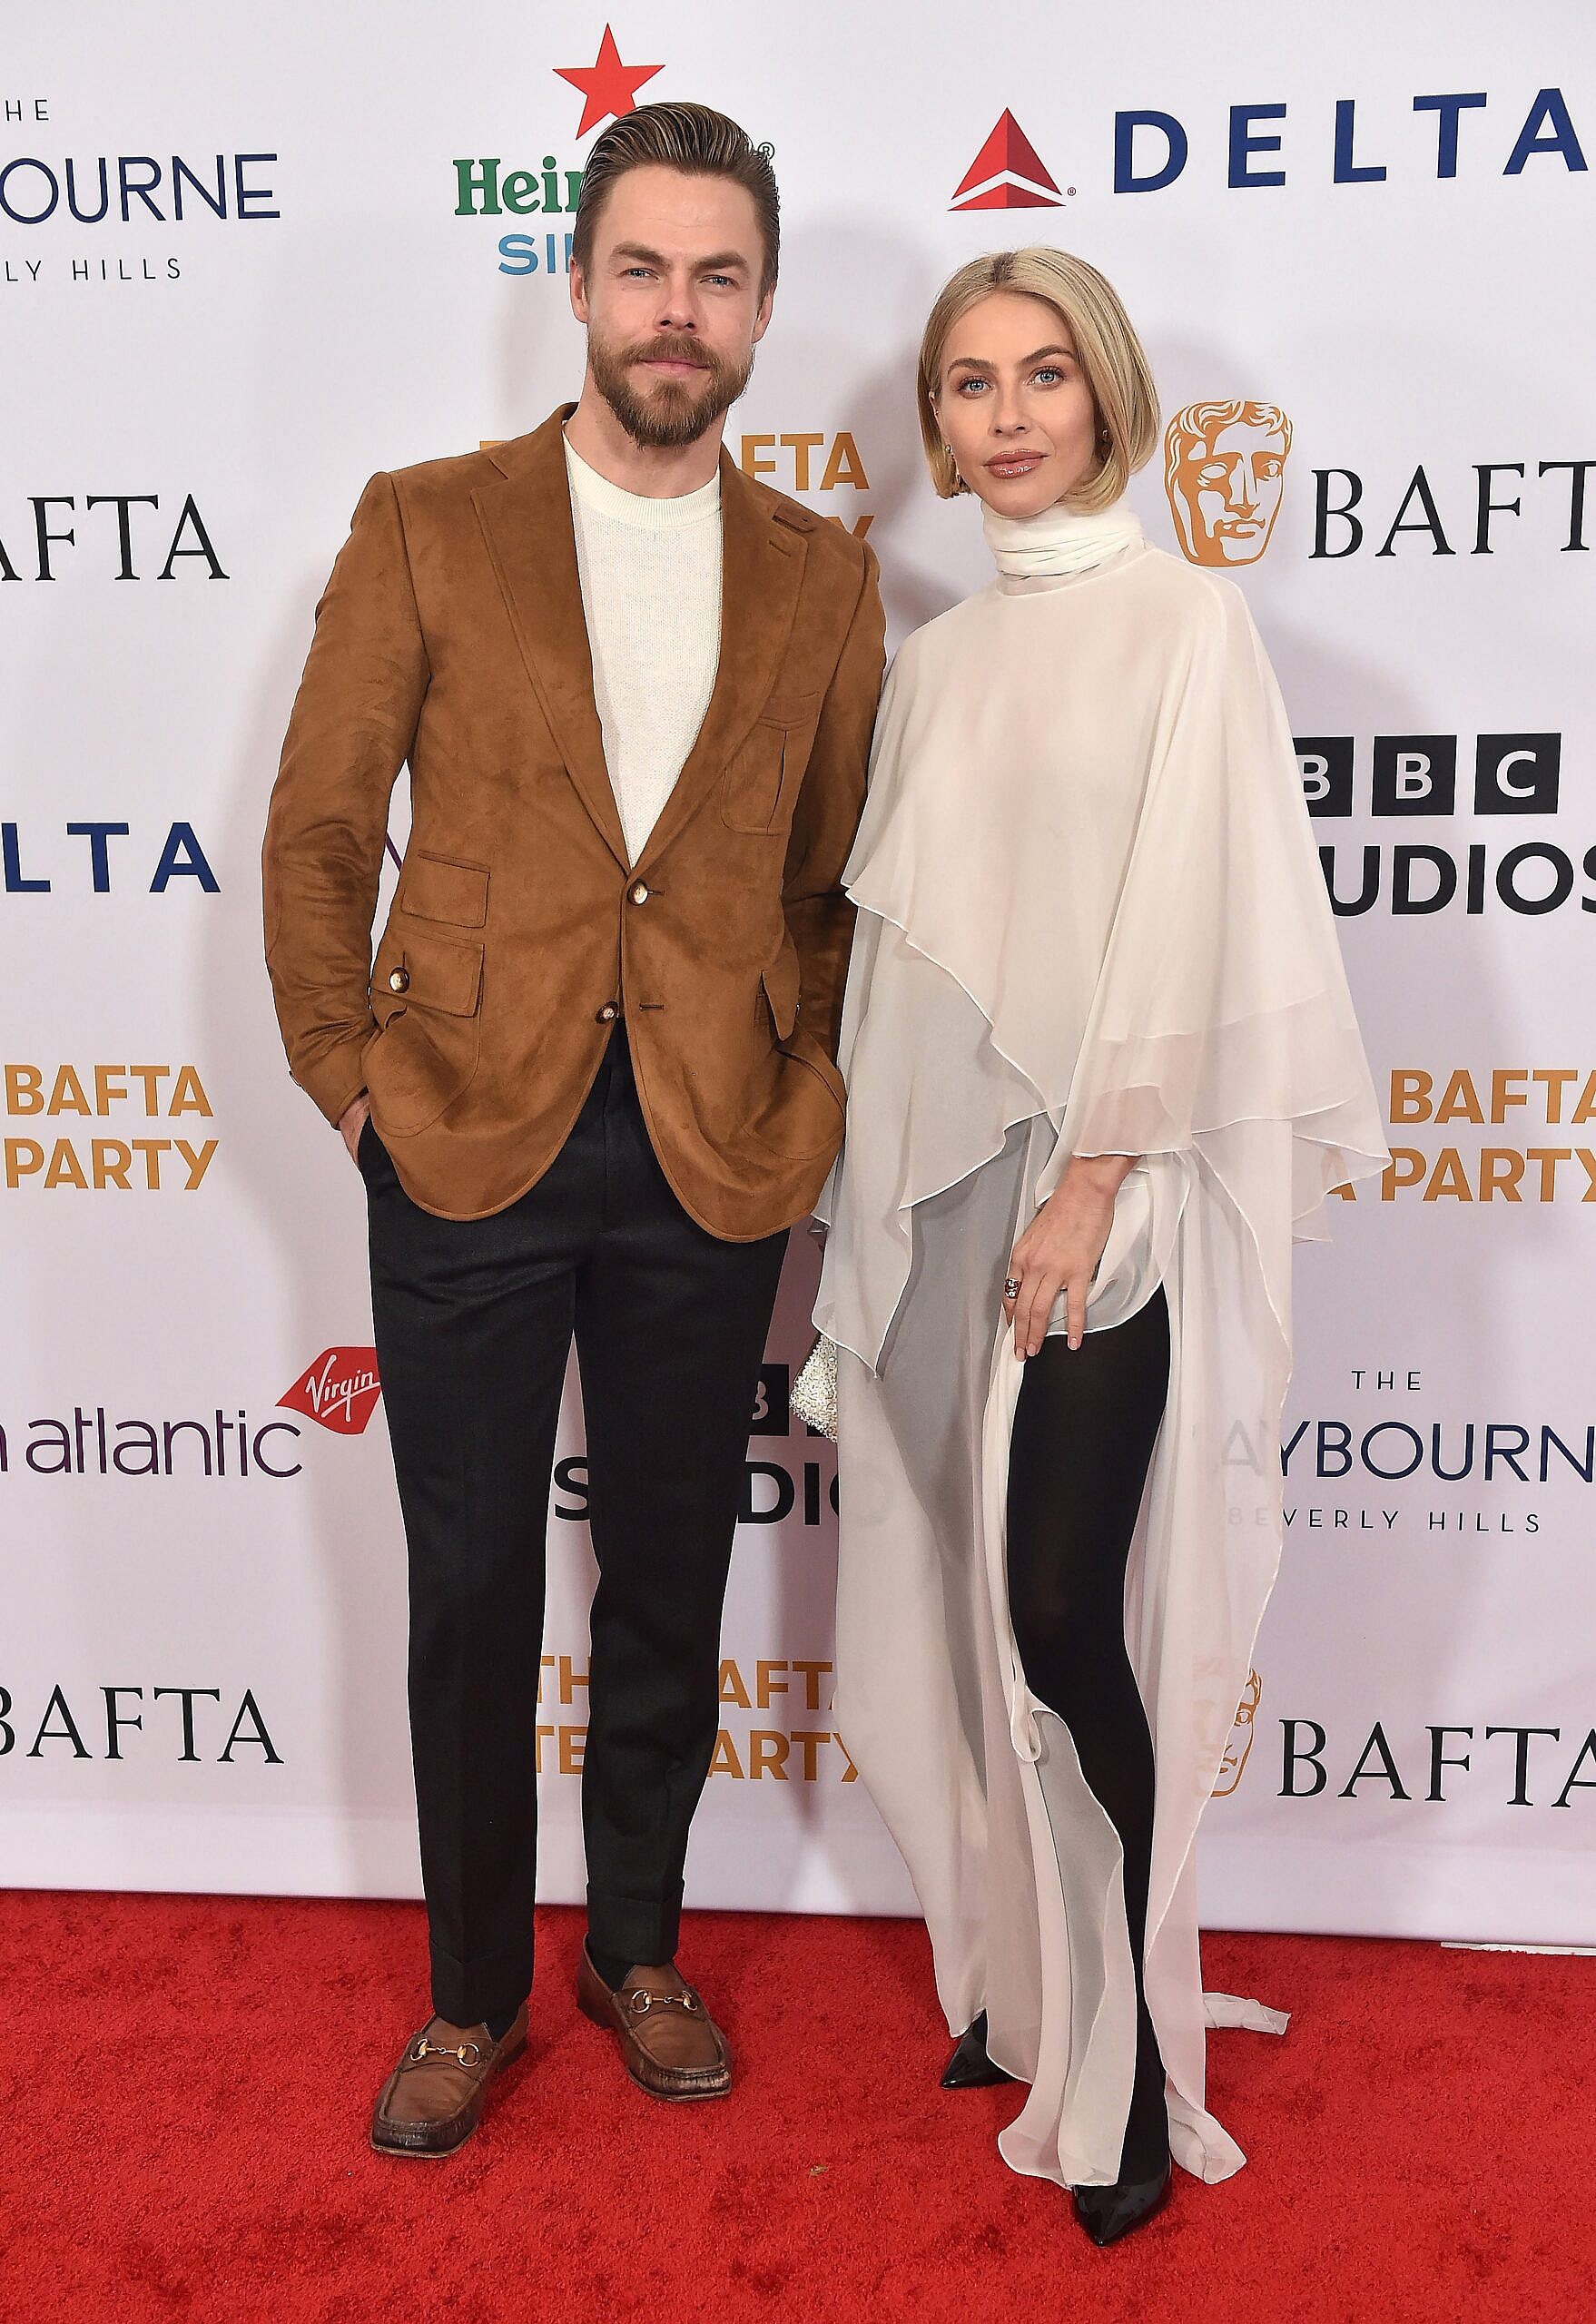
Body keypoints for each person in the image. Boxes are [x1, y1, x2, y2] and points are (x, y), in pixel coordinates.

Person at [261, 100, 884, 2157]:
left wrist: (799, 1083)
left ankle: (636, 1944)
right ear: (583, 283)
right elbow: (322, 831)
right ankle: (466, 1990)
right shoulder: (432, 518)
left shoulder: (821, 574)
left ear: (765, 308)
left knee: (672, 1574)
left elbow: (822, 878)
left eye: (719, 274)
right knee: (463, 1588)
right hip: (458, 1135)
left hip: (709, 1146)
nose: (677, 310)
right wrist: (353, 1074)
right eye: (645, 267)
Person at [813, 249, 1387, 2244]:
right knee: (974, 1612)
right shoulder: (944, 655)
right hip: (947, 1183)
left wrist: (1090, 1183)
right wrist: (864, 1217)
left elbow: (1198, 924)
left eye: (1045, 371)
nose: (1010, 413)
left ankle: (1129, 2044)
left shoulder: (1186, 623)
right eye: (970, 382)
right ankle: (1031, 1981)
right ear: (941, 423)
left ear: (1110, 389)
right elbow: (905, 968)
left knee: (1063, 1607)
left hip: (1099, 1191)